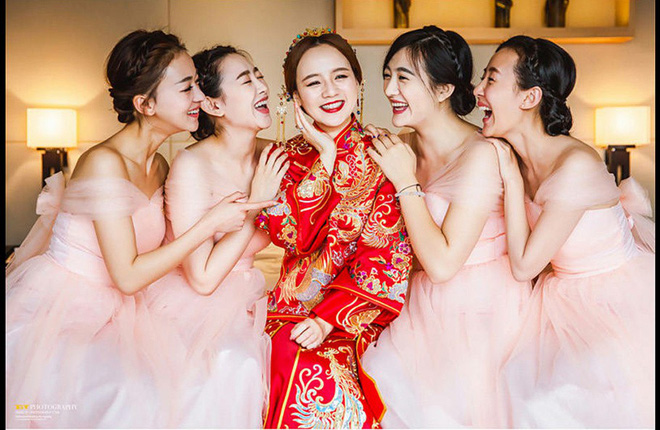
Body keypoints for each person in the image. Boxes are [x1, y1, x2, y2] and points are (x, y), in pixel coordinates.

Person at [5, 30, 273, 428]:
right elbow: (128, 276)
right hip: (70, 307)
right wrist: (211, 223)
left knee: (196, 377)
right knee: (128, 393)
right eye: (186, 88)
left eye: (198, 86)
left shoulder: (160, 165)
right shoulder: (104, 163)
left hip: (127, 307)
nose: (200, 98)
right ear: (145, 104)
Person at [474, 35, 655, 428]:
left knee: (555, 400)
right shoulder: (515, 155)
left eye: (490, 79)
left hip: (613, 300)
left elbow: (525, 265)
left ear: (529, 97)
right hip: (558, 293)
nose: (477, 90)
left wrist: (511, 178)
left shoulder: (575, 165)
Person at [358, 25, 532, 428]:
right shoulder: (402, 147)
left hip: (478, 310)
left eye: (404, 78)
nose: (390, 89)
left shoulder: (481, 154)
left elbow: (442, 264)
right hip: (414, 299)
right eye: (387, 75)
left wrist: (406, 182)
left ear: (443, 90)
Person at [254, 28, 413, 429]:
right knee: (277, 358)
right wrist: (325, 158)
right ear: (295, 96)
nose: (329, 91)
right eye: (313, 82)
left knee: (318, 372)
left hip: (356, 312)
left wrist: (327, 319)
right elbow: (291, 237)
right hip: (289, 307)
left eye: (340, 76)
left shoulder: (384, 153)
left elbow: (386, 254)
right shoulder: (283, 157)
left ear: (358, 83)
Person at [145, 45, 288, 428]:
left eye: (259, 75)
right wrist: (256, 203)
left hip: (256, 292)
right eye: (246, 80)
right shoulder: (192, 165)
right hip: (196, 303)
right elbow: (202, 278)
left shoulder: (274, 155)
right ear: (213, 105)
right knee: (233, 366)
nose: (262, 86)